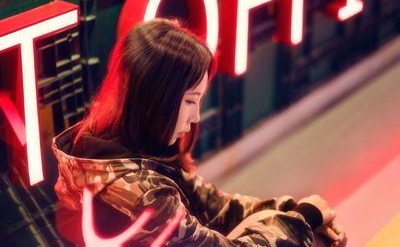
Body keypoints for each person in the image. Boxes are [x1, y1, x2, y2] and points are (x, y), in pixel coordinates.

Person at [52, 18, 347, 246]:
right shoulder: (142, 192)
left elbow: (218, 206)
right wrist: (305, 218)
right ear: (156, 99)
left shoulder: (118, 145)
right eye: (190, 101)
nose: (195, 117)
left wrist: (293, 209)